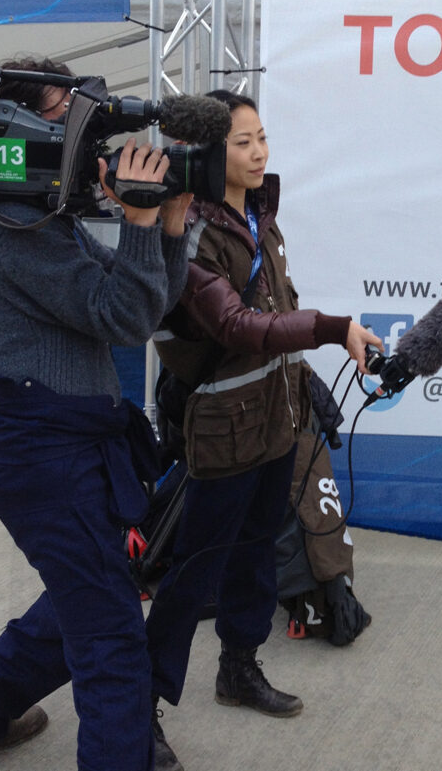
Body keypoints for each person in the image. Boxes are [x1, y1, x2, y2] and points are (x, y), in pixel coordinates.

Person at [0, 56, 192, 771]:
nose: (79, 137)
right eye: (60, 119)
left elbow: (149, 301)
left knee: (78, 606)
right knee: (111, 640)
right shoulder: (11, 229)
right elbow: (127, 316)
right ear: (10, 128)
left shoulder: (36, 216)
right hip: (48, 460)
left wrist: (168, 225)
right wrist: (140, 222)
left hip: (66, 451)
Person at [147, 90, 382, 736]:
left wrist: (307, 383)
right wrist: (334, 328)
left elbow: (278, 307)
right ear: (206, 152)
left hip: (277, 423)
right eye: (241, 142)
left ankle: (238, 667)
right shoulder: (191, 231)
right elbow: (237, 324)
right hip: (223, 431)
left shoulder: (260, 214)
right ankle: (142, 703)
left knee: (255, 553)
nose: (258, 152)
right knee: (194, 571)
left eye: (261, 137)